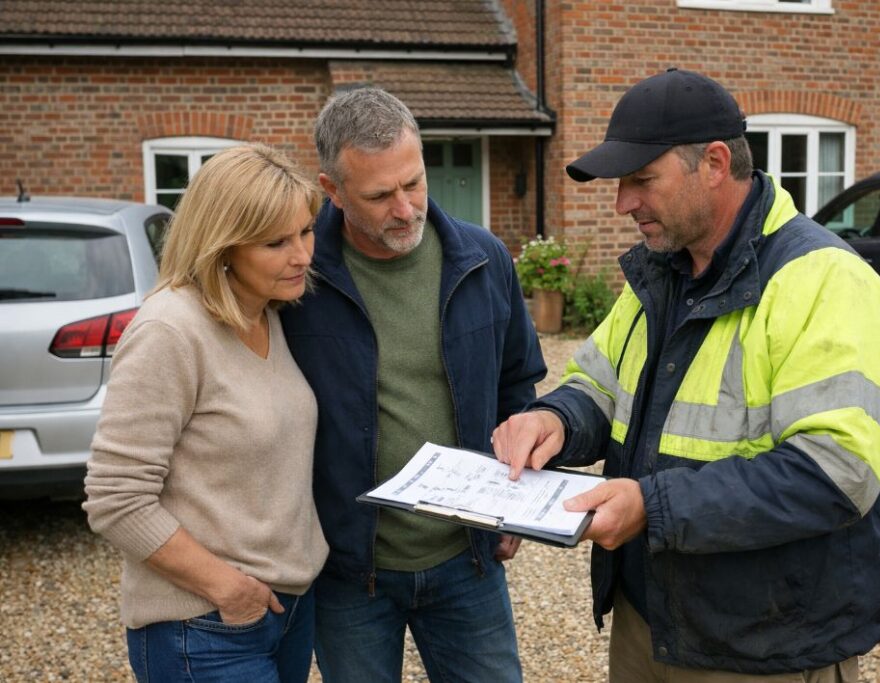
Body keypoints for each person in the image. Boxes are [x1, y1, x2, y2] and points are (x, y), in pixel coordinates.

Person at [492, 68, 880, 682]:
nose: (622, 202)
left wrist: (651, 507)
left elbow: (837, 473)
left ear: (714, 162)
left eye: (641, 180)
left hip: (766, 645)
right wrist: (555, 418)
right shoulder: (663, 273)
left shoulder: (825, 281)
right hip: (650, 621)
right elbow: (599, 385)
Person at [279, 87, 546, 683]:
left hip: (467, 562)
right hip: (350, 573)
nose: (406, 209)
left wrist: (512, 504)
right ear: (332, 191)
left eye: (415, 183)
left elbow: (518, 384)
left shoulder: (483, 257)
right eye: (379, 195)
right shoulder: (299, 277)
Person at [83, 144, 328, 683]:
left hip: (284, 610)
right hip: (203, 626)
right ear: (223, 246)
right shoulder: (170, 330)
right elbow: (114, 498)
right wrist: (226, 588)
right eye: (276, 242)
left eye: (306, 231)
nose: (303, 255)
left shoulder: (269, 311)